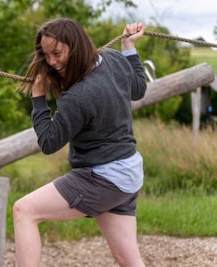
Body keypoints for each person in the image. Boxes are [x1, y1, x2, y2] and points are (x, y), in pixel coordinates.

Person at [14, 18, 147, 267]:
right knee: (127, 259)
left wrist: (39, 99)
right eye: (46, 55)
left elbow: (49, 142)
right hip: (128, 173)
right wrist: (128, 46)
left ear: (74, 46)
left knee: (24, 211)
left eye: (57, 53)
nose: (51, 62)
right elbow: (139, 89)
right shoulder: (113, 59)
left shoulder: (77, 96)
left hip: (104, 177)